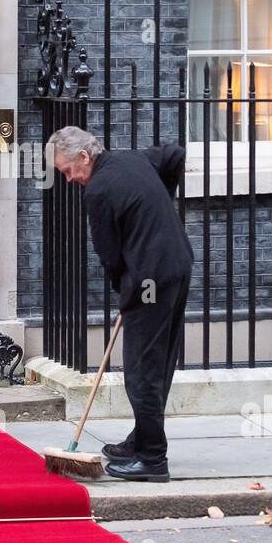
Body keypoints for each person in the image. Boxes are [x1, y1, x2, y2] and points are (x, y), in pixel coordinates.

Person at [49, 126, 193, 483]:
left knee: (141, 369)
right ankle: (142, 439)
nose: (69, 179)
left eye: (68, 171)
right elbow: (174, 153)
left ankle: (152, 459)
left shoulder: (98, 190)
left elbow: (109, 255)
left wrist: (126, 294)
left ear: (84, 157)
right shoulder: (133, 159)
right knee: (158, 362)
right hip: (177, 265)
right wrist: (163, 207)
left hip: (148, 282)